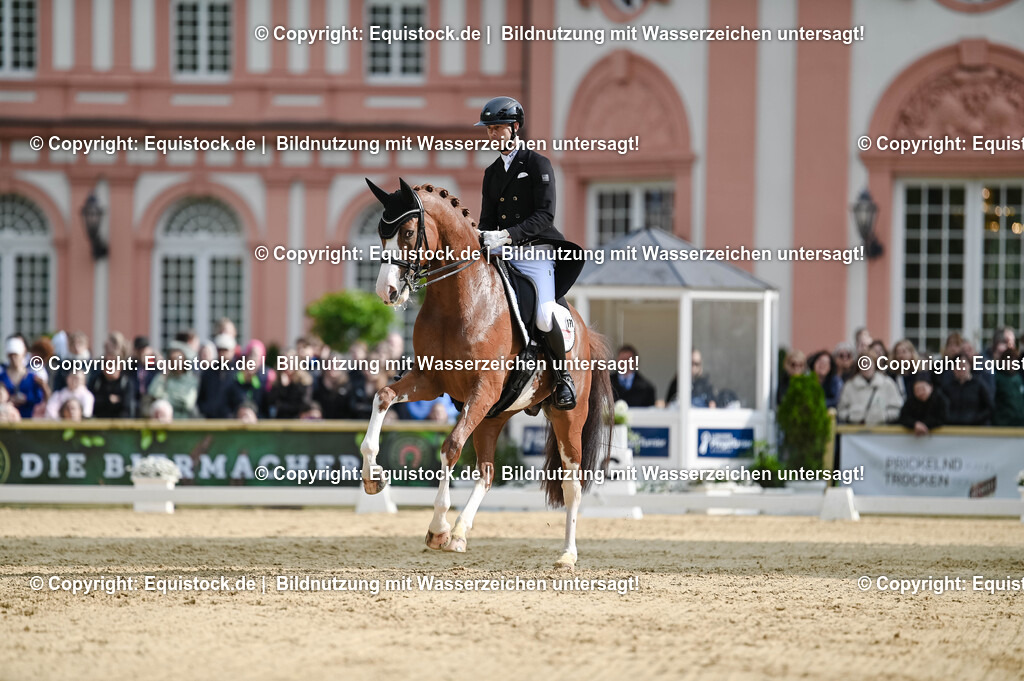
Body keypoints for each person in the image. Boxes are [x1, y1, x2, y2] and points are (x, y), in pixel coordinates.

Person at [475, 96, 585, 410]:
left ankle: (562, 376)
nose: (493, 134)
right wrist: (485, 236)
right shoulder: (491, 173)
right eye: (489, 129)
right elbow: (486, 219)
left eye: (497, 128)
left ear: (515, 127)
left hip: (536, 253)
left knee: (544, 314)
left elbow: (544, 216)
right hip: (504, 255)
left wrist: (507, 234)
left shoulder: (537, 164)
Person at [837, 349, 903, 425]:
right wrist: (851, 415)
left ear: (875, 364)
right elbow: (841, 410)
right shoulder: (849, 386)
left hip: (881, 431)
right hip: (855, 432)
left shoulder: (887, 383)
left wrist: (883, 416)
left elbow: (897, 409)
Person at [146, 343, 199, 419]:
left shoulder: (191, 380)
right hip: (163, 421)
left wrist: (165, 398)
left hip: (182, 421)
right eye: (173, 360)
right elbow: (153, 393)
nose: (176, 363)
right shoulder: (164, 377)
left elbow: (187, 403)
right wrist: (163, 376)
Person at [939, 351, 992, 426]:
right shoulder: (947, 386)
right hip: (951, 428)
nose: (960, 368)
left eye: (963, 365)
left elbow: (989, 407)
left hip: (975, 428)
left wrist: (976, 419)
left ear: (969, 366)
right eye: (957, 366)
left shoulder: (979, 384)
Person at [1, 336, 48, 419]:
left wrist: (27, 399)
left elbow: (40, 400)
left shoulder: (33, 377)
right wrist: (9, 400)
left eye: (16, 355)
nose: (13, 358)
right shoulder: (2, 377)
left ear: (23, 354)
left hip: (29, 419)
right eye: (11, 355)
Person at [991, 344, 1024, 426]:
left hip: (1020, 423)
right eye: (1008, 360)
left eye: (1014, 360)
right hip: (1003, 424)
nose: (1012, 363)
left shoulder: (1019, 378)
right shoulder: (997, 378)